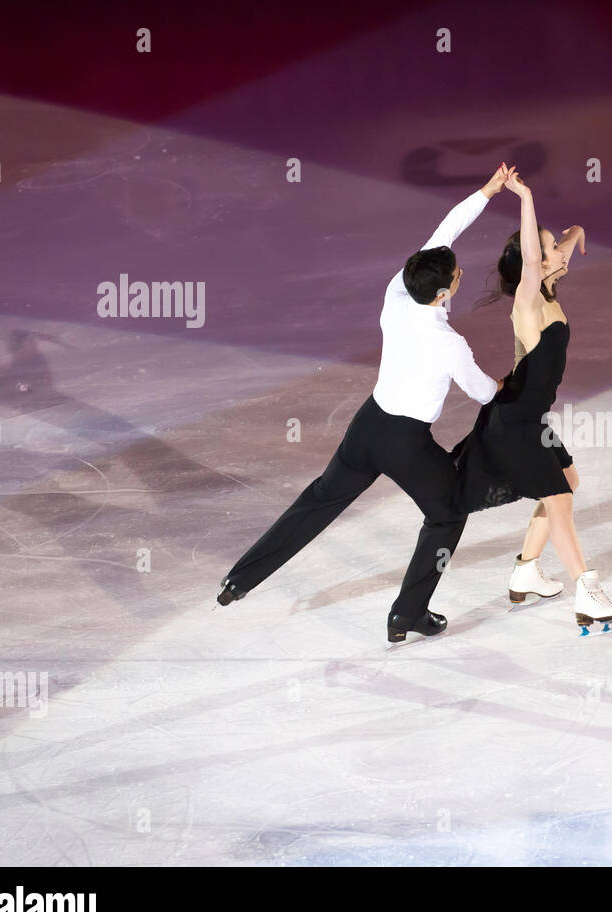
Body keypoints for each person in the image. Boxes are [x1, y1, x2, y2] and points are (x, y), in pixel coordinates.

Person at [216, 164, 515, 643]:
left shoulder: (398, 292)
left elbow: (444, 232)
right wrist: (506, 387)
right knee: (447, 512)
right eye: (457, 275)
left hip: (368, 425)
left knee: (319, 500)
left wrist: (486, 190)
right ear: (445, 291)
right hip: (406, 444)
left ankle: (240, 578)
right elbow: (481, 392)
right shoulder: (449, 342)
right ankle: (407, 614)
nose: (460, 275)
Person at [452, 170, 612, 635]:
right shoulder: (528, 300)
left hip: (532, 417)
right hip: (515, 423)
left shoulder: (548, 280)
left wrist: (575, 233)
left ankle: (526, 570)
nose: (555, 255)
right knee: (561, 497)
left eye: (550, 250)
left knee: (567, 478)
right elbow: (533, 256)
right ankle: (587, 593)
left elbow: (560, 244)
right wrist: (524, 197)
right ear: (534, 263)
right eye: (547, 251)